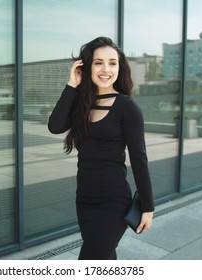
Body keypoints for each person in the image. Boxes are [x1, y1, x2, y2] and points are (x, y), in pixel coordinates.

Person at [48, 37, 154, 260]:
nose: (106, 69)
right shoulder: (82, 102)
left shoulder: (127, 107)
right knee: (104, 259)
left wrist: (148, 207)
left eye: (112, 63)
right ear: (88, 67)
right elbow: (55, 126)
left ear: (119, 67)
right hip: (84, 199)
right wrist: (72, 85)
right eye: (98, 62)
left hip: (113, 201)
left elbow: (139, 158)